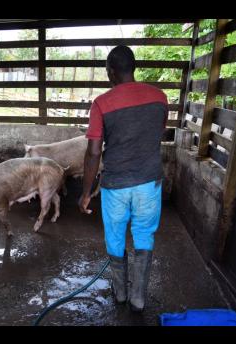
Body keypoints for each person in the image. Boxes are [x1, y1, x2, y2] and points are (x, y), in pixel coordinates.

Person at [78, 46, 168, 313]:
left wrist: (86, 192)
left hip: (115, 186)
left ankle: (119, 294)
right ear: (134, 67)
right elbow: (156, 134)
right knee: (143, 235)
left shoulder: (101, 104)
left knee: (115, 237)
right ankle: (138, 299)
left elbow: (94, 152)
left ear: (111, 72)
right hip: (148, 182)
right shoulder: (160, 97)